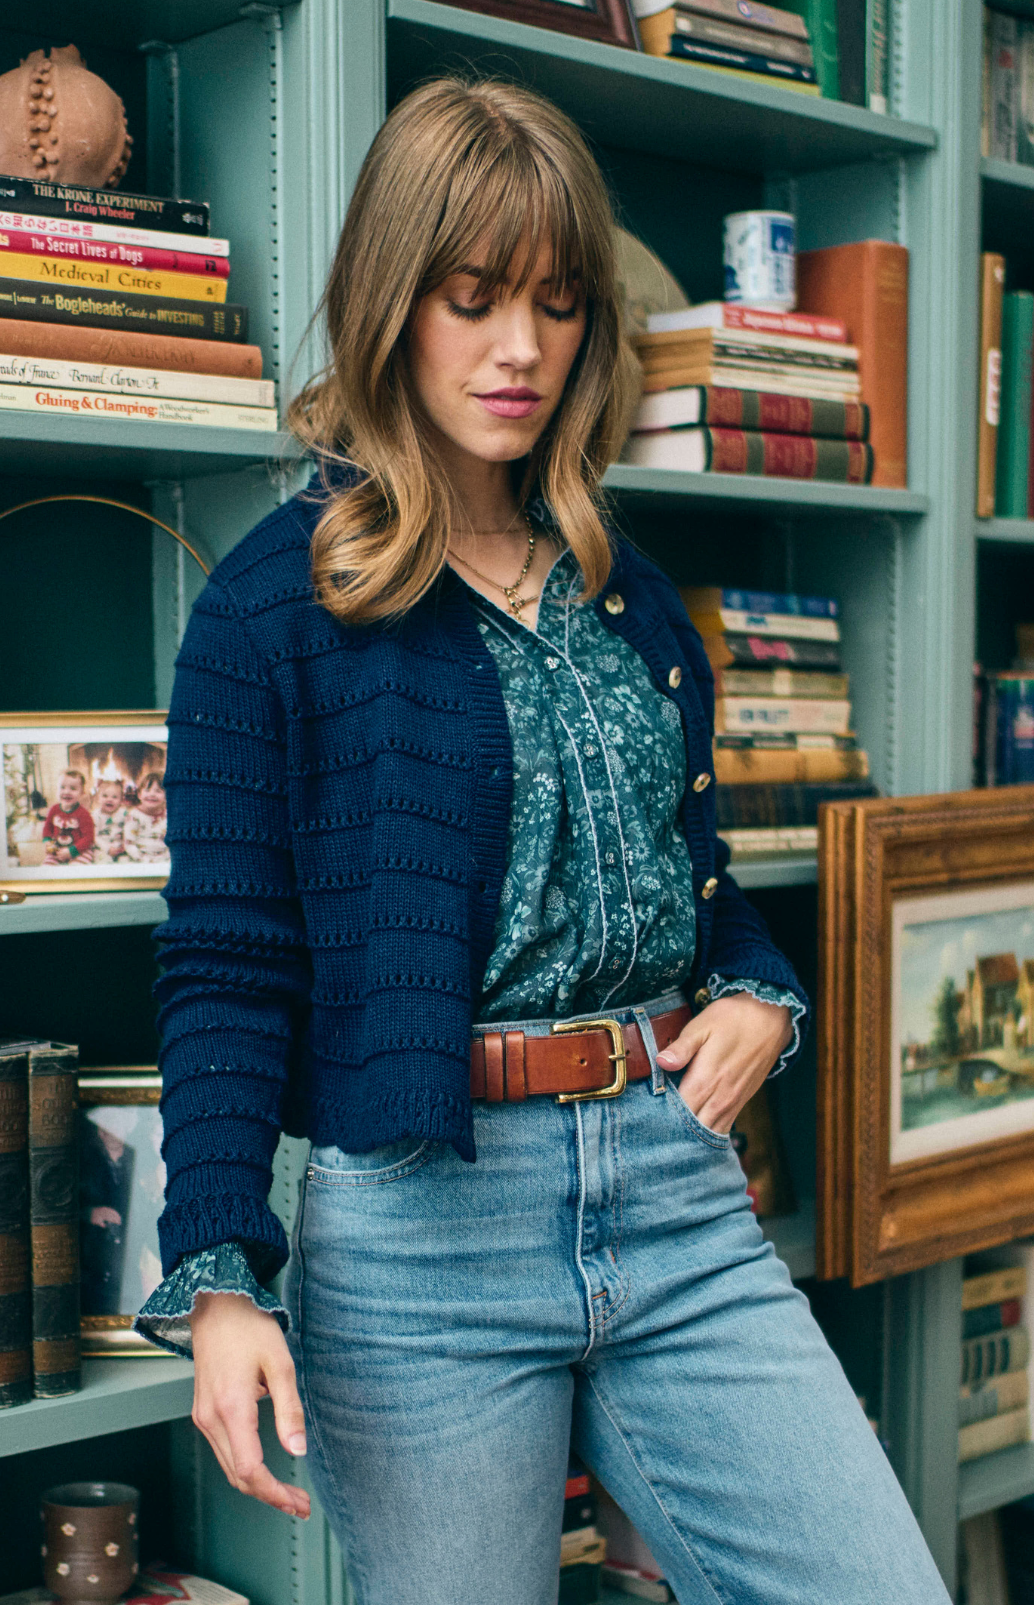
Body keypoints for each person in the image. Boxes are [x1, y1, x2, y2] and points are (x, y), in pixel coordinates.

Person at [135, 78, 951, 1605]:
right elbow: (226, 966)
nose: (519, 347)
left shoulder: (621, 586)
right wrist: (223, 1276)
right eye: (472, 298)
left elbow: (695, 886)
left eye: (557, 303)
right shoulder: (271, 609)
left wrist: (759, 996)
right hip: (420, 1235)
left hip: (674, 1187)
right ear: (393, 300)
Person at [41, 768, 94, 864]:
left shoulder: (84, 813)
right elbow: (47, 829)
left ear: (82, 793)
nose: (67, 792)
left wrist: (72, 851)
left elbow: (88, 838)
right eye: (62, 787)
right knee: (47, 867)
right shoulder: (53, 810)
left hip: (79, 850)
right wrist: (48, 842)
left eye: (73, 788)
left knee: (78, 868)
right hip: (58, 850)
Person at [122, 771, 168, 862]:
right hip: (139, 858)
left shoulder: (169, 816)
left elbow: (173, 842)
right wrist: (144, 859)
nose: (152, 794)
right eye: (147, 790)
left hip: (163, 858)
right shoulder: (134, 816)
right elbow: (129, 843)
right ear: (139, 795)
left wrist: (165, 858)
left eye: (158, 791)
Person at [91, 777, 129, 864]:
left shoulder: (124, 814)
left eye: (115, 797)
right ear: (98, 798)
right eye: (105, 796)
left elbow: (129, 831)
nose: (109, 799)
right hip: (102, 848)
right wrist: (107, 848)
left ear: (121, 800)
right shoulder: (95, 815)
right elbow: (94, 836)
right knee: (103, 861)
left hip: (120, 848)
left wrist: (124, 846)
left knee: (126, 862)